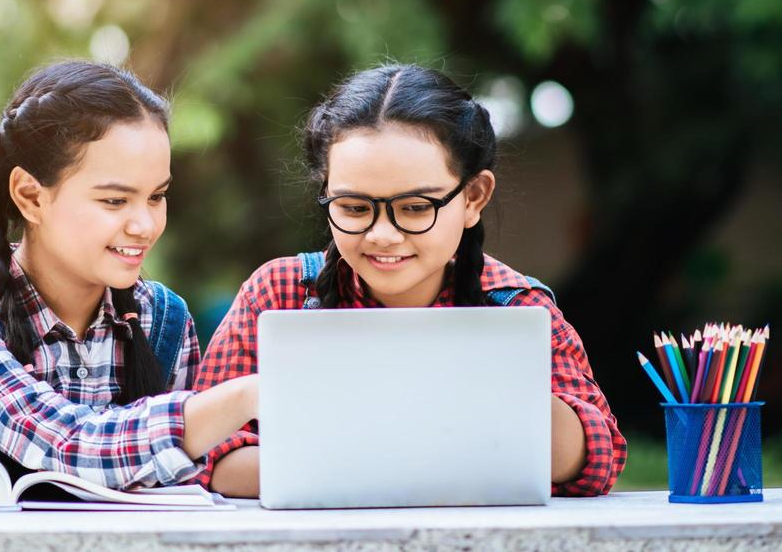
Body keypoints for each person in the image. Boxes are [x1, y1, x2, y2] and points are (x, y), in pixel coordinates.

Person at [195, 63, 627, 497]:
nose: (383, 235)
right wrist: (407, 463)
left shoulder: (515, 306)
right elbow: (206, 456)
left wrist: (499, 379)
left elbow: (597, 460)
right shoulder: (278, 294)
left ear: (474, 197)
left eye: (416, 207)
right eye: (354, 207)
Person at [0, 60, 257, 492]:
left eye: (157, 196)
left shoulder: (164, 320)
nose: (144, 225)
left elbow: (186, 483)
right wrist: (244, 396)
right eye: (114, 201)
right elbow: (68, 444)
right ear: (31, 197)